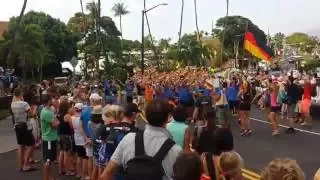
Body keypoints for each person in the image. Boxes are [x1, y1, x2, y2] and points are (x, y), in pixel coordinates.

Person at [100, 99, 182, 180]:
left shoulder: (128, 139)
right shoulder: (175, 151)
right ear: (168, 118)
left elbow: (106, 174)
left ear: (145, 115)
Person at [11, 88, 35, 172]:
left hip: (17, 126)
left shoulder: (12, 104)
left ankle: (21, 165)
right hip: (25, 126)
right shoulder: (25, 104)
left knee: (21, 145)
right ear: (21, 94)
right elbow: (31, 114)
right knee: (31, 144)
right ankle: (25, 163)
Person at [40, 94, 60, 180]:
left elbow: (55, 120)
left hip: (51, 137)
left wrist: (55, 119)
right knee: (48, 160)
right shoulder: (46, 113)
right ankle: (46, 178)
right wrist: (56, 120)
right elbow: (55, 124)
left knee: (50, 160)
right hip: (48, 139)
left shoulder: (47, 110)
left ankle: (49, 176)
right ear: (48, 101)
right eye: (51, 99)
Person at [72, 103, 89, 179]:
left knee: (79, 156)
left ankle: (79, 173)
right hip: (83, 139)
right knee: (85, 158)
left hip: (77, 139)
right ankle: (84, 175)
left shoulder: (72, 118)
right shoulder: (81, 118)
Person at [57, 98, 74, 175]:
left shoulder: (58, 115)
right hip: (67, 136)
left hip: (60, 135)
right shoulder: (67, 116)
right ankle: (68, 171)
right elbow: (71, 127)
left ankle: (60, 169)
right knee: (67, 154)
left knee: (61, 153)